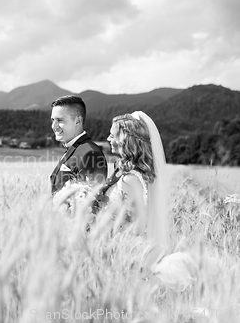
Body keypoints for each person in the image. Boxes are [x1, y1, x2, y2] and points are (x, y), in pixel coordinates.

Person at [56, 111, 197, 292]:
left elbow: (138, 226)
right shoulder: (124, 174)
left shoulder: (130, 180)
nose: (108, 138)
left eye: (112, 135)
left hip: (127, 254)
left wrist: (103, 227)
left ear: (126, 140)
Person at [49, 95, 107, 195]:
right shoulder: (74, 148)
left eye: (60, 120)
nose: (54, 126)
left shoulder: (91, 153)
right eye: (52, 120)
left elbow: (89, 201)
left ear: (78, 121)